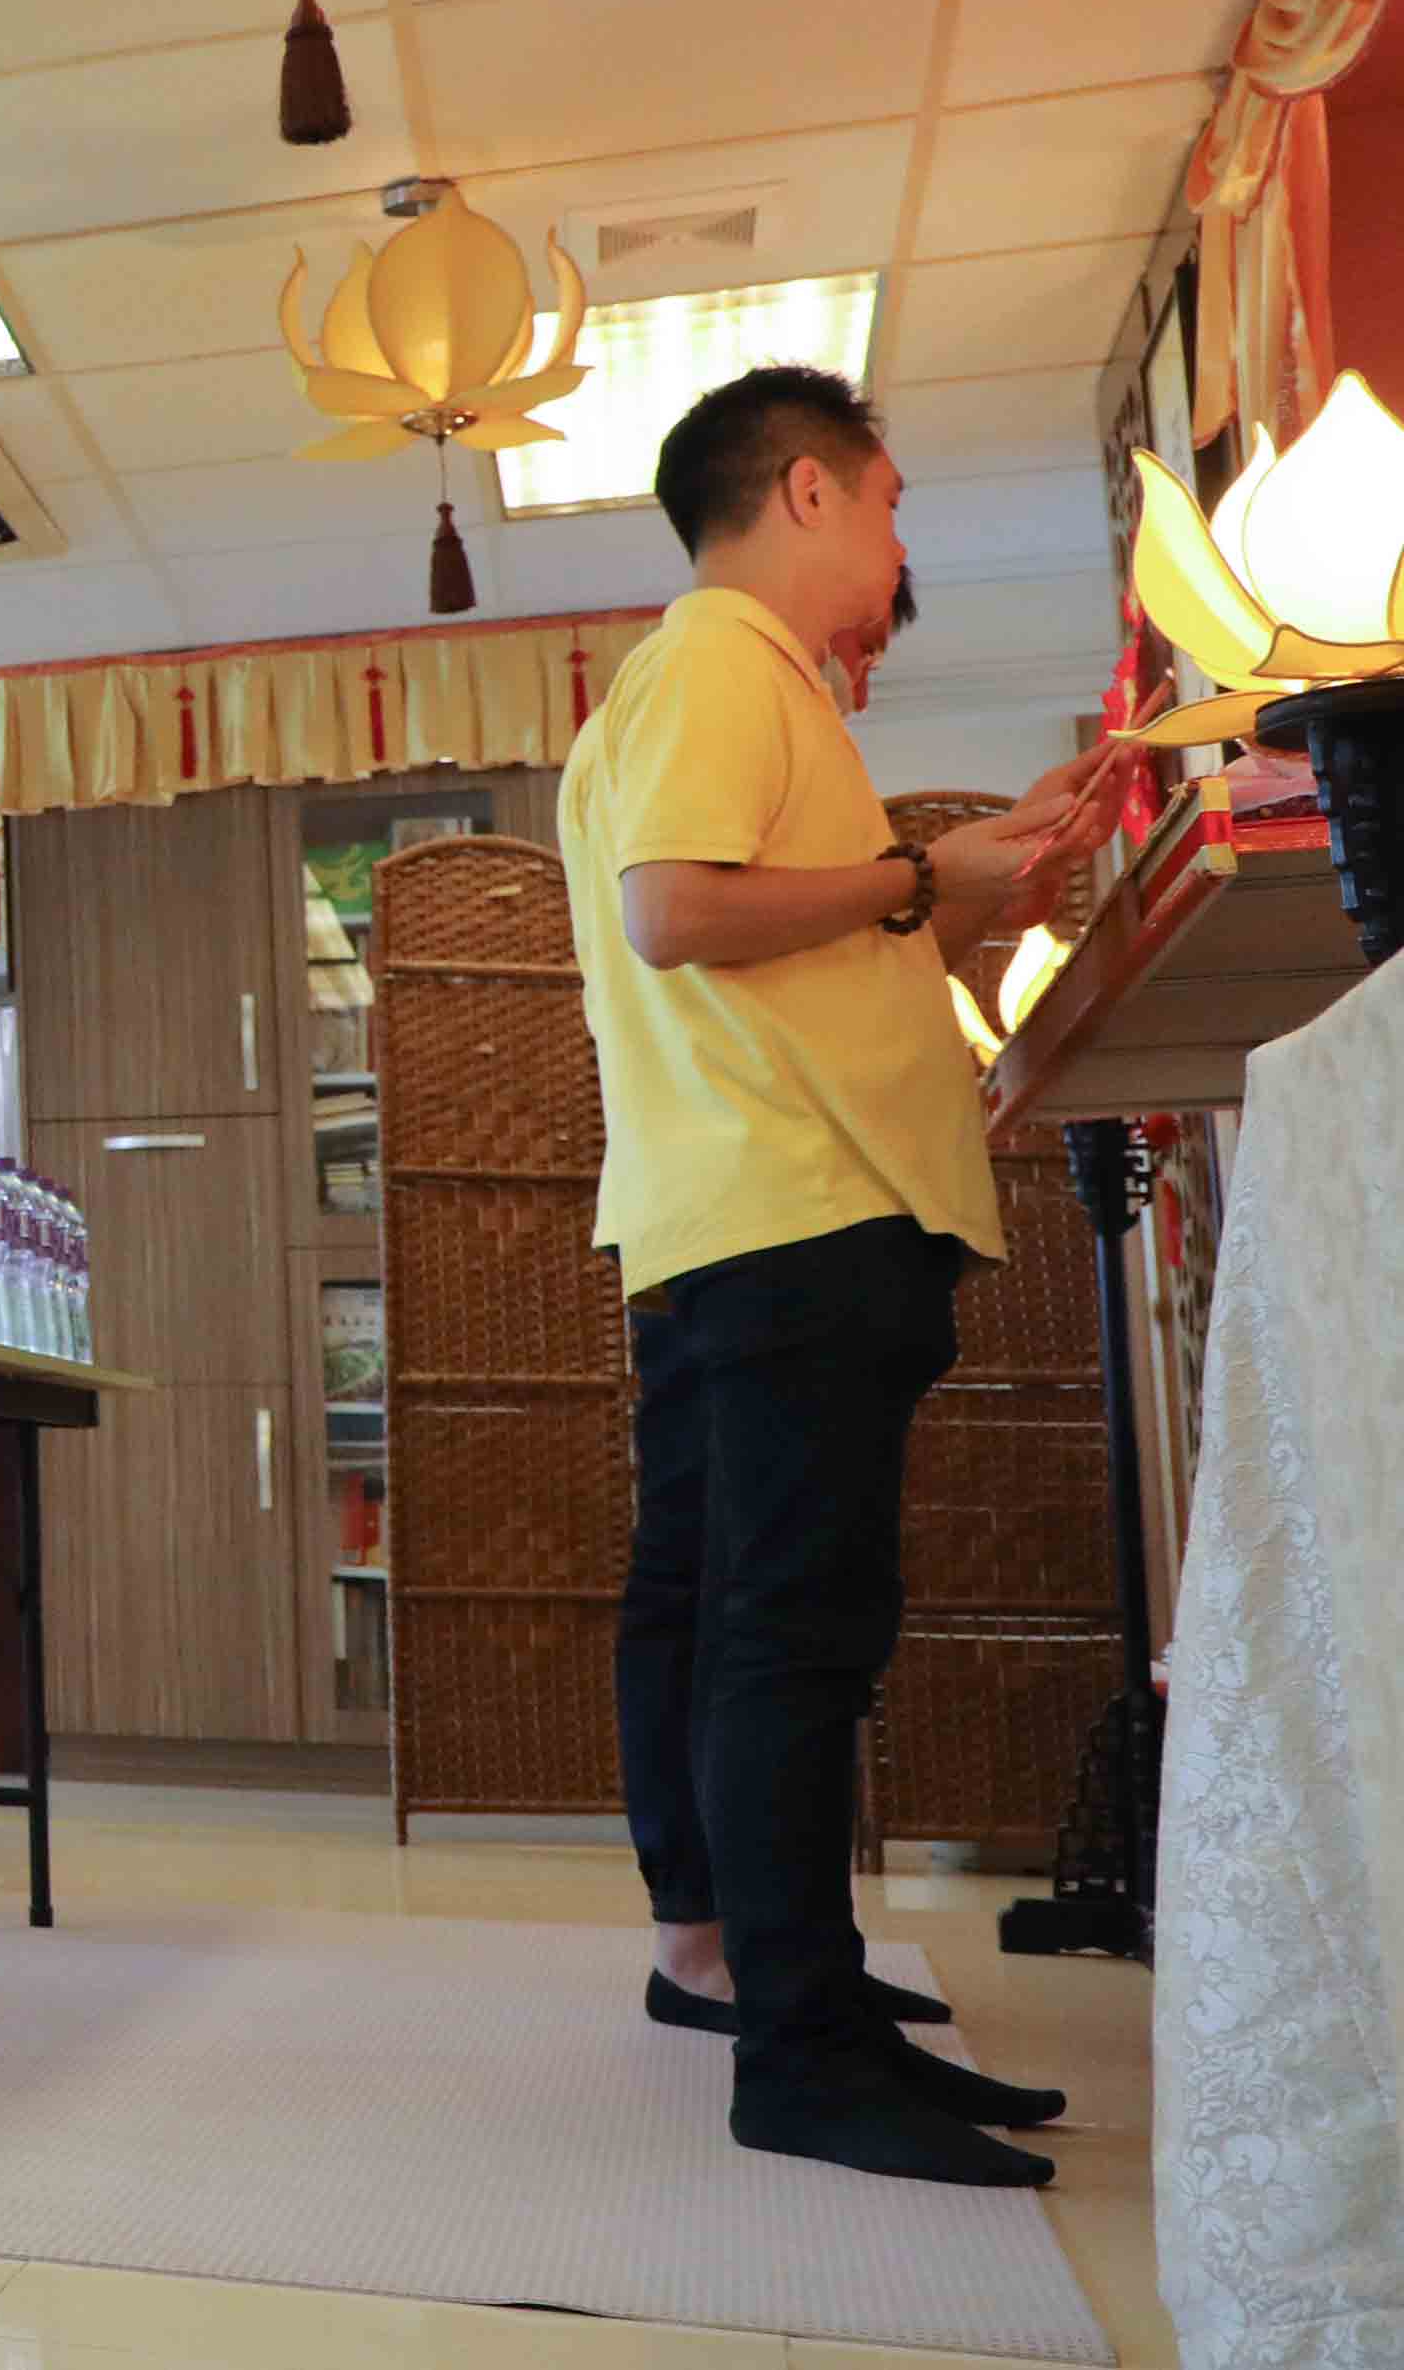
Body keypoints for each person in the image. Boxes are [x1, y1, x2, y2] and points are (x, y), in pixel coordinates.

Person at [566, 366, 1116, 2188]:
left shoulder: (721, 682)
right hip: (794, 1210)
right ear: (808, 490)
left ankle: (786, 1993)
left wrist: (968, 882)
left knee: (757, 1621)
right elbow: (675, 909)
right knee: (793, 1637)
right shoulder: (725, 661)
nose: (893, 546)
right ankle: (797, 2046)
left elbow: (798, 951)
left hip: (745, 1207)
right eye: (888, 505)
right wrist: (911, 880)